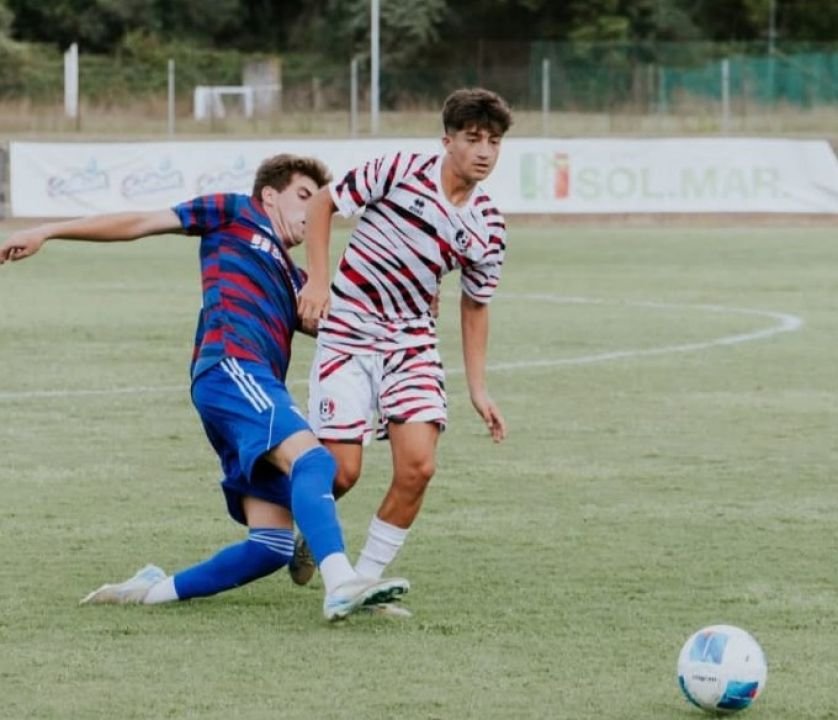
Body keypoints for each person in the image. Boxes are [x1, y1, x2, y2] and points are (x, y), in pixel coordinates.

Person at [0, 153, 409, 621]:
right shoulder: (235, 212)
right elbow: (139, 221)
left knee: (270, 546)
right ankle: (342, 583)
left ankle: (148, 591)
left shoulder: (298, 279)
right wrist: (47, 231)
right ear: (269, 195)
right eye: (303, 196)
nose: (310, 210)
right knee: (313, 458)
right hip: (232, 367)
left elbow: (346, 326)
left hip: (244, 388)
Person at [294, 88, 512, 603]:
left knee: (418, 467)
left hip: (410, 343)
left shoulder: (489, 226)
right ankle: (303, 528)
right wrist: (320, 281)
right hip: (348, 331)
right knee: (341, 472)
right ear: (447, 140)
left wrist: (478, 388)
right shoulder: (400, 169)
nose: (484, 151)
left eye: (495, 142)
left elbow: (476, 304)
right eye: (473, 138)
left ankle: (361, 582)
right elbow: (325, 203)